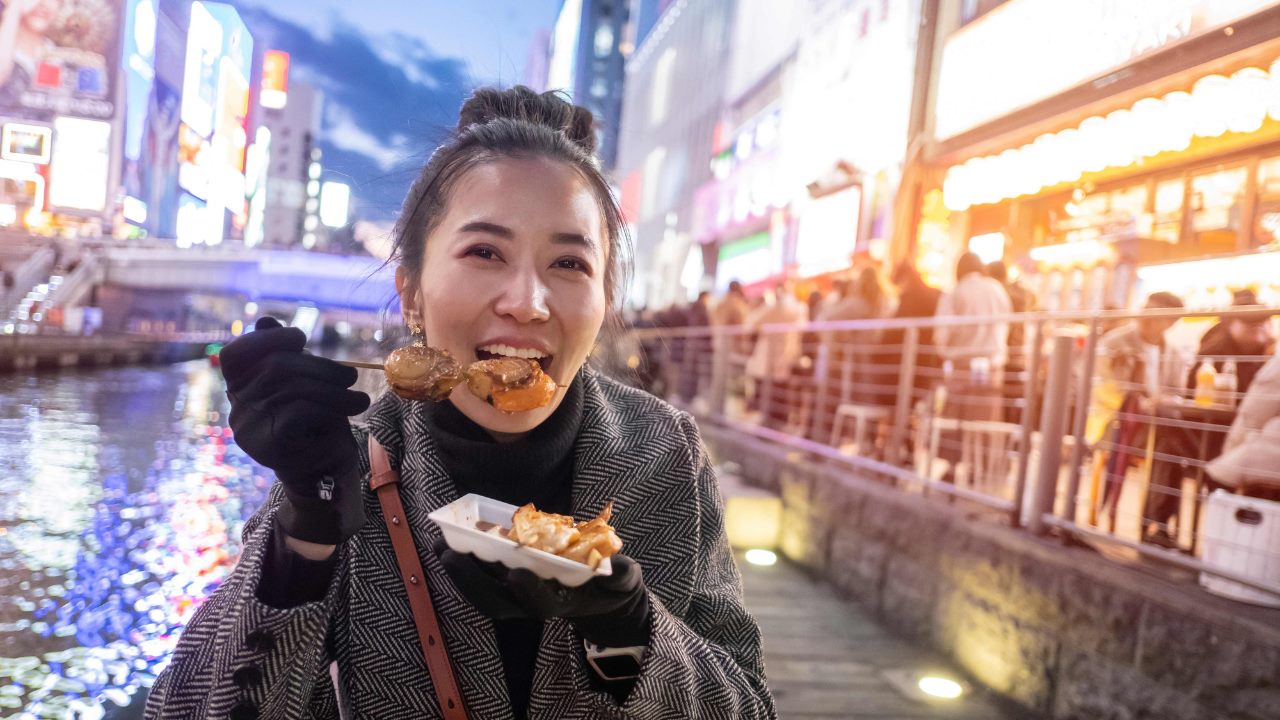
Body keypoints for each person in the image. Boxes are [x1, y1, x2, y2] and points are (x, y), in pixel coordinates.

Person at [146, 87, 775, 719]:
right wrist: (304, 534)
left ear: (603, 300)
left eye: (569, 262)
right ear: (412, 293)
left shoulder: (664, 452)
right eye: (484, 252)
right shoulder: (348, 458)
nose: (527, 302)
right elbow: (190, 709)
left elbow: (750, 707)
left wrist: (628, 628)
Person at [1144, 292, 1275, 546]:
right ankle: (1160, 525)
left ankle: (1161, 526)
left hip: (1241, 443)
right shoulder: (1217, 349)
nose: (1259, 328)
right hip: (1220, 436)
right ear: (1231, 323)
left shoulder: (1266, 353)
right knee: (1169, 441)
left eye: (1263, 322)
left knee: (1168, 442)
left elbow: (1252, 412)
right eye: (1251, 323)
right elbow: (1201, 398)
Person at [1086, 292, 1186, 518]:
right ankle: (1155, 521)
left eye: (1156, 313)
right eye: (1145, 308)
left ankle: (1155, 520)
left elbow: (1177, 393)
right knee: (1172, 443)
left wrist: (1162, 402)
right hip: (1115, 422)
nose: (1145, 316)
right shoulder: (1114, 342)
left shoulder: (1174, 354)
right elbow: (1101, 386)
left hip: (1155, 424)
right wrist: (1136, 401)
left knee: (1171, 443)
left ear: (1171, 323)